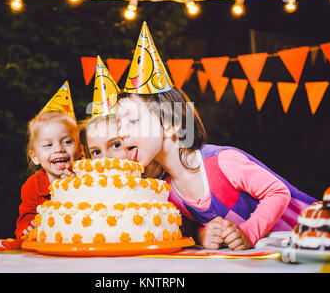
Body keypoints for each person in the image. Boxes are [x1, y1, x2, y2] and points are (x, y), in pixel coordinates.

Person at [116, 22, 318, 250]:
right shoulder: (168, 192)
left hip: (314, 239)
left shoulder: (222, 162)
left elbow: (277, 191)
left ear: (171, 124)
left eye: (132, 120)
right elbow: (194, 226)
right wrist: (202, 236)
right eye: (119, 124)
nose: (122, 132)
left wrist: (249, 233)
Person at [2, 82, 82, 249]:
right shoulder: (32, 186)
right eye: (48, 145)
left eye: (67, 142)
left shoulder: (86, 180)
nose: (59, 149)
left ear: (80, 149)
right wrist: (28, 230)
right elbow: (25, 220)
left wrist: (78, 186)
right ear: (35, 156)